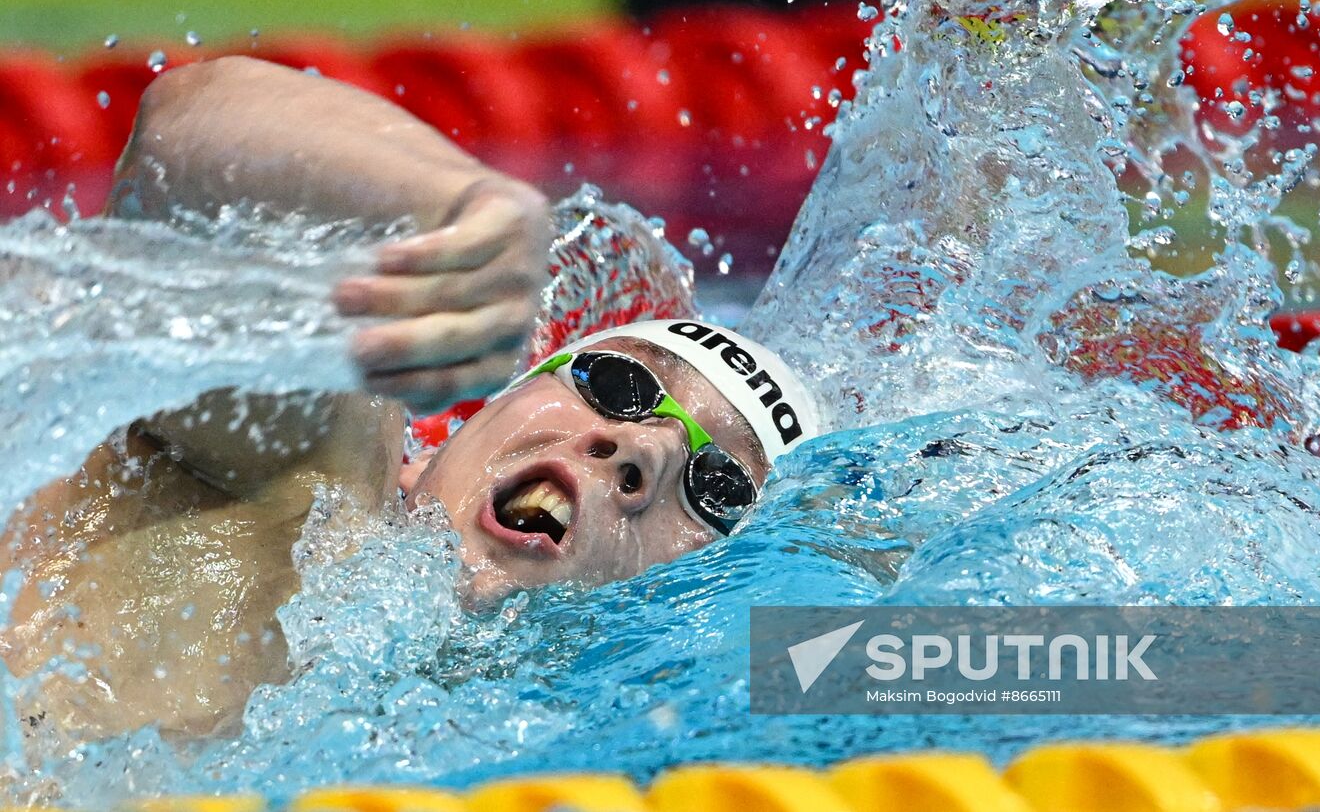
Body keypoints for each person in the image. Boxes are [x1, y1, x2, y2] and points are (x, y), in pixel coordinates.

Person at [0, 57, 822, 741]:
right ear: (466, 422)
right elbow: (180, 139)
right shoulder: (302, 482)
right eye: (618, 385)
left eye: (719, 489)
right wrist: (460, 206)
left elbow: (940, 668)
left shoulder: (621, 712)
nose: (646, 448)